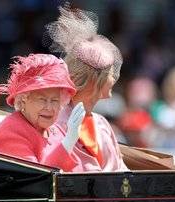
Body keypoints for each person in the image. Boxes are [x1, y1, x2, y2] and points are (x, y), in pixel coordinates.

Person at [45, 5, 128, 171]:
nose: (114, 77)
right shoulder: (55, 121)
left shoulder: (101, 123)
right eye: (109, 73)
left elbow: (121, 169)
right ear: (93, 81)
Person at [0, 53, 86, 171]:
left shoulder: (56, 130)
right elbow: (37, 180)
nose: (49, 107)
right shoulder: (11, 130)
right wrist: (67, 143)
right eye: (42, 100)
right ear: (23, 99)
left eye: (54, 100)